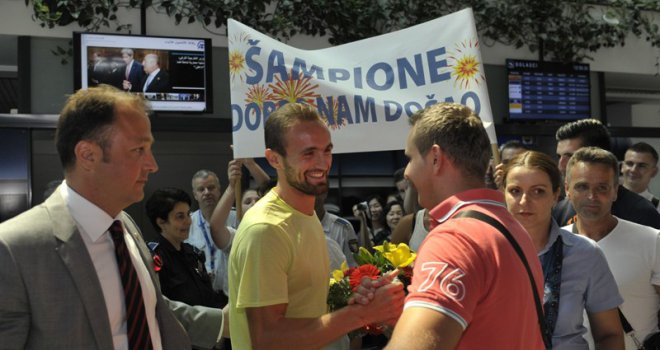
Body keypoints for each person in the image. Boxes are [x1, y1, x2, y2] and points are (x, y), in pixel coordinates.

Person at [0, 85, 224, 349]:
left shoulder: (125, 226)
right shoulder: (14, 250)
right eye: (139, 150)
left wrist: (225, 320)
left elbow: (145, 307)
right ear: (88, 155)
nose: (153, 165)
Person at [228, 102, 404, 349]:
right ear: (274, 159)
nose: (323, 163)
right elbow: (267, 340)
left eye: (327, 150)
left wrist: (357, 299)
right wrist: (361, 314)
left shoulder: (304, 215)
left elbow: (307, 310)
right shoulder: (265, 229)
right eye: (308, 153)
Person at [386, 102, 545, 349]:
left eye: (410, 158)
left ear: (436, 158)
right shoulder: (510, 227)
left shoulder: (454, 238)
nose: (406, 171)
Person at [502, 150, 623, 349]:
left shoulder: (585, 254)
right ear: (503, 194)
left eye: (538, 191)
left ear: (556, 195)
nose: (524, 201)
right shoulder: (484, 253)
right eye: (515, 191)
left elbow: (609, 334)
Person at [563, 147, 660, 349]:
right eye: (582, 187)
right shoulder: (553, 244)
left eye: (602, 188)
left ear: (616, 191)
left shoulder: (652, 241)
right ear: (567, 189)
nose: (592, 196)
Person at [552, 118, 660, 229]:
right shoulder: (560, 212)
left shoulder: (641, 214)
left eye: (571, 156)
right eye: (559, 157)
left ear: (598, 155)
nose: (561, 166)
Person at [145, 187, 226, 308]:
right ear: (161, 222)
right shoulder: (154, 258)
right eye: (180, 216)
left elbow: (209, 298)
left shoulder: (194, 253)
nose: (188, 221)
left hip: (208, 322)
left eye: (188, 214)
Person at [314, 191, 360, 266]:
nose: (310, 198)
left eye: (314, 192)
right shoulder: (296, 227)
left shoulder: (343, 227)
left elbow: (353, 265)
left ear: (324, 194)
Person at [621, 142, 659, 212]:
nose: (633, 170)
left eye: (642, 166)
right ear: (622, 167)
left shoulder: (658, 208)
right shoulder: (606, 202)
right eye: (630, 164)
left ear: (654, 172)